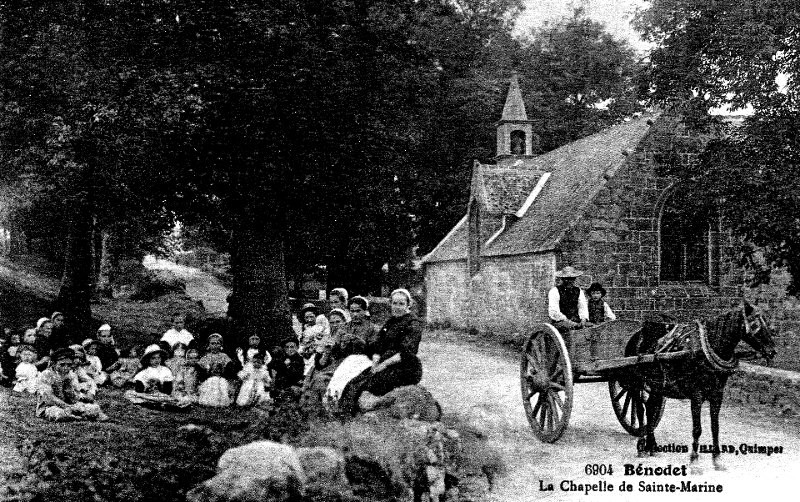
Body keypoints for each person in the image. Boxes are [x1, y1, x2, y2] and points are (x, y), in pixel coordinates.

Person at [338, 288, 423, 415]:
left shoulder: (413, 322)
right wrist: (375, 361)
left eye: (401, 304)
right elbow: (378, 345)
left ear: (408, 305)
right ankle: (345, 414)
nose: (397, 307)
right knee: (354, 382)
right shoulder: (390, 322)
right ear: (391, 303)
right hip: (384, 362)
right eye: (395, 303)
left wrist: (383, 365)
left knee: (370, 384)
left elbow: (407, 351)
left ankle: (358, 414)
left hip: (405, 366)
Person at [36, 347, 109, 422]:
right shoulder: (46, 374)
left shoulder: (69, 374)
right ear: (54, 364)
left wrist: (83, 399)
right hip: (50, 406)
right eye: (62, 364)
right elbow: (49, 397)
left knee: (94, 408)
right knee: (57, 413)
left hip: (68, 405)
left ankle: (76, 415)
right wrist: (67, 406)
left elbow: (72, 395)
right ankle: (75, 416)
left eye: (69, 365)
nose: (66, 368)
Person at [547, 266, 590, 331]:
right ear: (562, 279)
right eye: (567, 279)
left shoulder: (579, 291)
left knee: (592, 327)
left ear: (575, 278)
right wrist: (567, 321)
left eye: (572, 278)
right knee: (570, 328)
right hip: (561, 322)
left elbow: (582, 307)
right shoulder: (554, 291)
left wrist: (583, 319)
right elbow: (554, 311)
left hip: (576, 320)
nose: (569, 281)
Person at [197, 333, 233, 407]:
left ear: (221, 345)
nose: (215, 346)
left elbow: (228, 370)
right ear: (209, 345)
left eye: (217, 343)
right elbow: (202, 372)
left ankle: (221, 402)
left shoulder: (224, 356)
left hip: (221, 378)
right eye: (212, 343)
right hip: (209, 379)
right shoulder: (205, 357)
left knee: (221, 386)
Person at [269, 337, 305, 402]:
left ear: (297, 348)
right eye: (287, 347)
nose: (289, 349)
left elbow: (296, 375)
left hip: (292, 387)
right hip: (279, 386)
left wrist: (287, 366)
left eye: (292, 347)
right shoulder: (281, 357)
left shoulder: (299, 359)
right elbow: (271, 367)